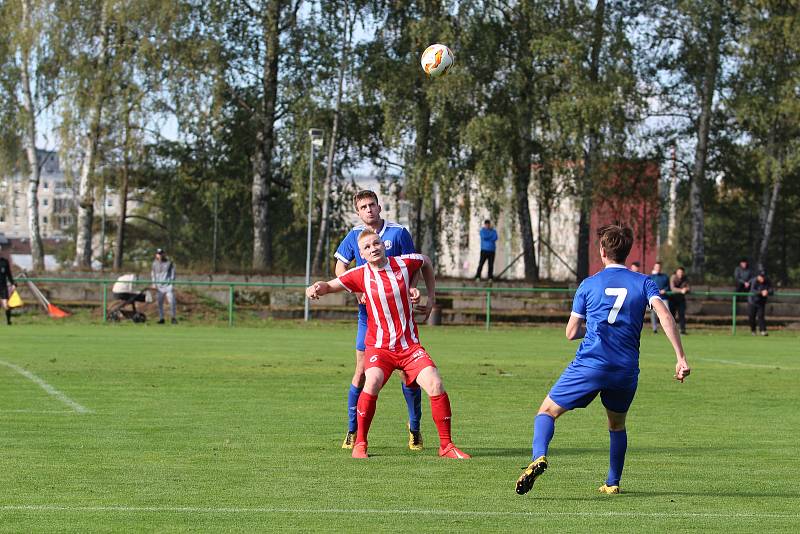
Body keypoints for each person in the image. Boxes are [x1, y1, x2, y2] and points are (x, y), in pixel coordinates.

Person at [515, 224, 690, 496]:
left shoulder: (589, 284)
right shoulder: (644, 282)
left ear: (602, 251)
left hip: (590, 364)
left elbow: (571, 332)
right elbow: (665, 315)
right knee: (617, 425)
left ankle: (539, 456)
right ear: (627, 252)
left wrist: (595, 327)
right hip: (624, 370)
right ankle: (612, 483)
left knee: (546, 412)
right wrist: (680, 357)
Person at [308, 228, 470, 460]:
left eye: (376, 244)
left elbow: (426, 261)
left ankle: (446, 446)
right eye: (367, 247)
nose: (373, 248)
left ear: (384, 245)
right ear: (361, 254)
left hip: (409, 347)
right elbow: (330, 285)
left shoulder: (404, 263)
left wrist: (430, 296)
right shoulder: (359, 274)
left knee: (435, 383)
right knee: (371, 381)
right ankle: (361, 443)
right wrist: (314, 288)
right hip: (380, 348)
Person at [334, 190, 423, 451]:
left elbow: (414, 265)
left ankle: (414, 428)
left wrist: (411, 289)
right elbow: (340, 268)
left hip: (400, 319)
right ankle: (352, 430)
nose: (369, 210)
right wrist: (357, 290)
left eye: (372, 204)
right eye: (363, 207)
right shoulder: (354, 237)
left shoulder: (399, 233)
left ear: (380, 207)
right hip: (369, 318)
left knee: (410, 374)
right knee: (361, 373)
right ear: (358, 212)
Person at [151, 248, 177, 324]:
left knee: (172, 301)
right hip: (159, 286)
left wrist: (172, 283)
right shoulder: (154, 264)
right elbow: (153, 274)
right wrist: (154, 283)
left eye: (161, 253)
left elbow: (173, 274)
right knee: (159, 302)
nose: (160, 255)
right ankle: (161, 318)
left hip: (168, 285)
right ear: (156, 255)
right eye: (158, 254)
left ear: (164, 254)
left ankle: (173, 318)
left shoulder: (169, 263)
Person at [748, 271, 772, 336]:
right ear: (758, 276)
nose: (762, 278)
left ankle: (763, 331)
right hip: (752, 301)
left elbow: (771, 290)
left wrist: (767, 292)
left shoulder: (767, 281)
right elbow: (753, 290)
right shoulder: (754, 281)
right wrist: (761, 292)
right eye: (761, 277)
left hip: (761, 302)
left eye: (763, 277)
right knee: (751, 317)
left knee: (761, 316)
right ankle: (753, 330)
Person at [648, 262, 670, 334]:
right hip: (654, 299)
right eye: (656, 267)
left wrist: (664, 290)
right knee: (654, 314)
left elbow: (668, 287)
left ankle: (667, 329)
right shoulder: (650, 277)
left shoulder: (665, 277)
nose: (658, 268)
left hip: (663, 298)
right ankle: (655, 329)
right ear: (654, 268)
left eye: (659, 267)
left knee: (666, 314)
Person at [669, 267, 690, 334]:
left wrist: (686, 289)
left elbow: (689, 288)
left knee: (682, 315)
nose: (680, 274)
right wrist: (681, 290)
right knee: (672, 316)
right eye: (679, 272)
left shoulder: (686, 278)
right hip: (672, 299)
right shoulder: (673, 277)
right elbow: (672, 288)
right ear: (676, 272)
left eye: (681, 272)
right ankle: (671, 331)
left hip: (681, 300)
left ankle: (682, 331)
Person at [0, 251, 16, 326]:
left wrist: (13, 283)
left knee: (6, 305)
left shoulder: (4, 262)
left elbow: (9, 274)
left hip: (3, 287)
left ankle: (8, 321)